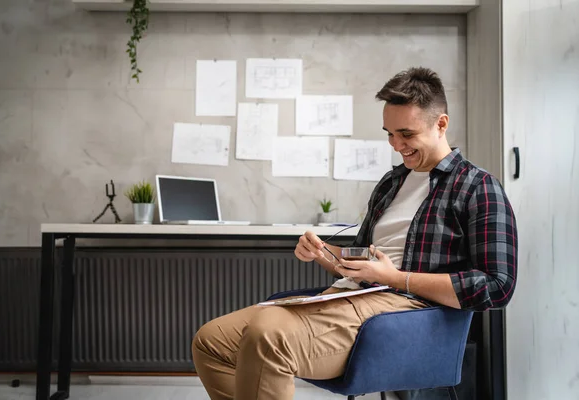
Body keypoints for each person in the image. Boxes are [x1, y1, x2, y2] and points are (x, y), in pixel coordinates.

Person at [192, 67, 518, 400]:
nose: (396, 145)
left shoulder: (478, 187)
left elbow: (498, 286)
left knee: (267, 334)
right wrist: (323, 252)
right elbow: (359, 258)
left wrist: (396, 278)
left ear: (441, 124)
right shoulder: (392, 184)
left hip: (403, 312)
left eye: (406, 134)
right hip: (347, 296)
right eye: (389, 133)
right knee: (212, 339)